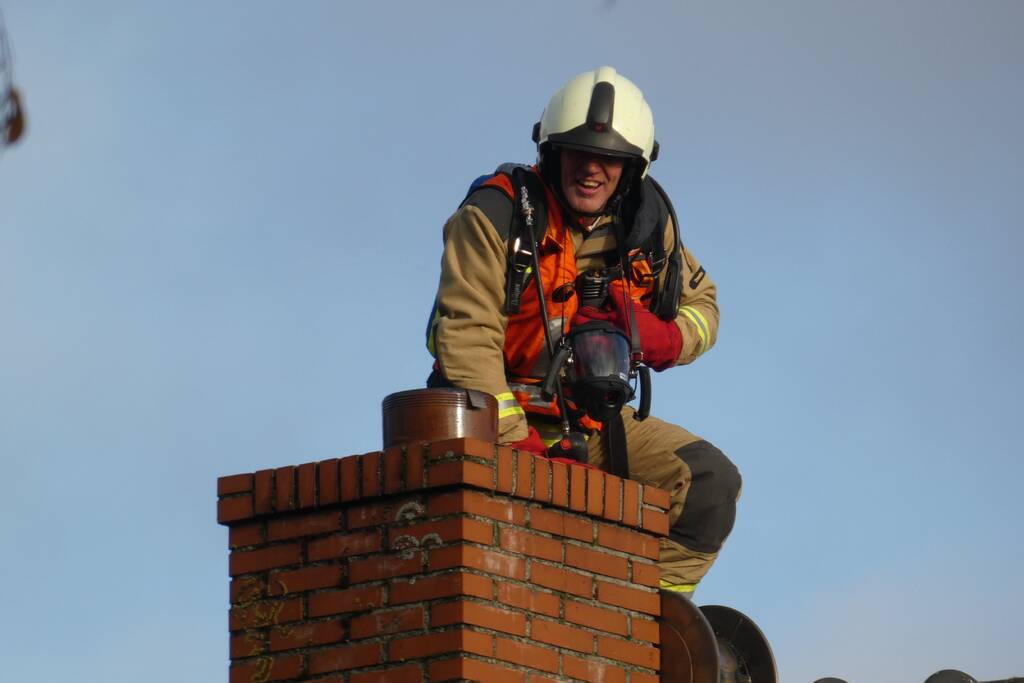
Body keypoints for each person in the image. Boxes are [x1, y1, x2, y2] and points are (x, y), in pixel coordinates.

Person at [426, 67, 740, 596]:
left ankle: (643, 625)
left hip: (589, 428)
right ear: (551, 153)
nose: (592, 170)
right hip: (488, 426)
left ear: (633, 168)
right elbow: (466, 334)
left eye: (610, 159)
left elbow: (703, 308)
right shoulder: (496, 216)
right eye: (578, 154)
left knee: (708, 484)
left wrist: (664, 337)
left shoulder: (648, 225)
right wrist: (516, 442)